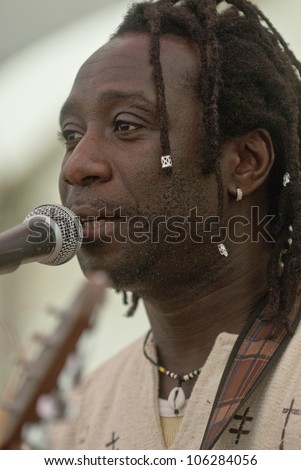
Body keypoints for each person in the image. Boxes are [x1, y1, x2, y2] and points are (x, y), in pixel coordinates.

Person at [50, 0, 301, 450]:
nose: (78, 165)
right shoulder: (78, 418)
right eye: (71, 135)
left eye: (125, 125)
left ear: (245, 162)